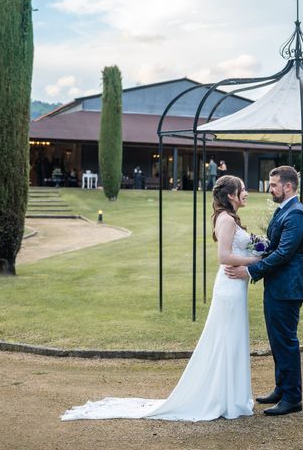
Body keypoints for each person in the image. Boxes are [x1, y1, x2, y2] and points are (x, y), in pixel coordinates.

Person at [61, 175, 260, 422]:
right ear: (231, 195)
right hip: (230, 286)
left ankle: (231, 396)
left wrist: (258, 248)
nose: (246, 192)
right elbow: (223, 257)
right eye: (243, 189)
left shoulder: (229, 218)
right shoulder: (227, 219)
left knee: (232, 338)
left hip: (235, 286)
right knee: (226, 338)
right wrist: (256, 260)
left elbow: (239, 249)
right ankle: (223, 398)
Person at [225, 165, 303, 416]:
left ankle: (293, 397)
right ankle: (281, 389)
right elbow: (272, 245)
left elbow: (284, 253)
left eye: (273, 185)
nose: (269, 188)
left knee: (286, 341)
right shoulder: (283, 210)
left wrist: (250, 271)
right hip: (277, 286)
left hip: (288, 288)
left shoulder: (296, 214)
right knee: (277, 339)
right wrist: (250, 245)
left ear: (287, 186)